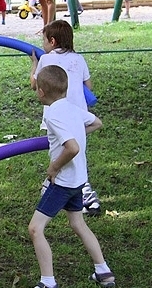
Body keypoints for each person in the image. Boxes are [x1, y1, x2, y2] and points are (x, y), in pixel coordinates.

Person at [29, 65, 115, 288]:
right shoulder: (72, 108)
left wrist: (54, 168)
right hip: (79, 179)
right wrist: (76, 131)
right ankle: (103, 271)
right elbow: (97, 123)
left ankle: (48, 282)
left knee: (36, 229)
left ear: (40, 92)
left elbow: (72, 148)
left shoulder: (53, 115)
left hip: (63, 182)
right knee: (78, 223)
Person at [29, 20, 102, 216]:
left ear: (52, 41)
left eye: (43, 40)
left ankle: (79, 191)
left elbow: (34, 85)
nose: (42, 44)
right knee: (76, 151)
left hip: (57, 111)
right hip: (79, 113)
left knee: (60, 149)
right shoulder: (79, 59)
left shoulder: (45, 59)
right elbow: (89, 85)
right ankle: (66, 187)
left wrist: (34, 65)